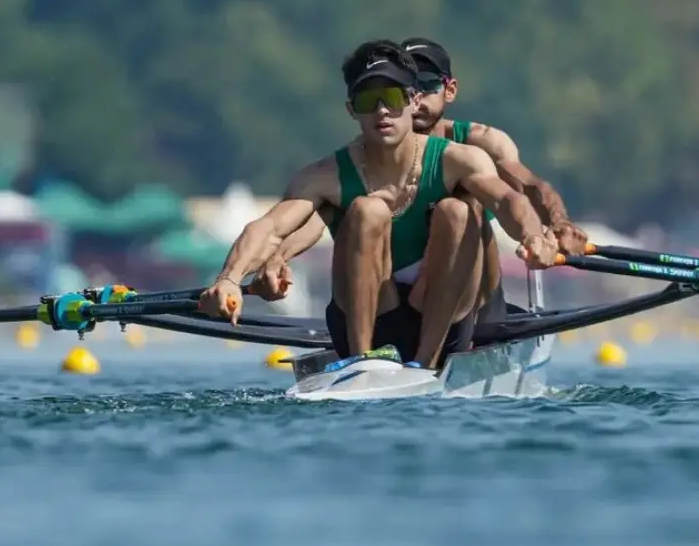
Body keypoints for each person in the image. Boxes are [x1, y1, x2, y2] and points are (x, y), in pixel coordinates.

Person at [197, 39, 558, 370]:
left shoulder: (460, 160)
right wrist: (229, 279)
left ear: (414, 101)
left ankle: (425, 362)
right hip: (369, 319)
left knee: (457, 211)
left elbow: (508, 199)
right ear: (352, 109)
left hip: (443, 321)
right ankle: (360, 360)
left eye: (393, 97)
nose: (383, 111)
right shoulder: (324, 176)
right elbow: (269, 228)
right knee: (367, 210)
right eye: (369, 101)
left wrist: (533, 237)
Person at [255, 37, 588, 321]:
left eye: (426, 86)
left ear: (450, 90)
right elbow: (315, 216)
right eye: (402, 88)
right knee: (352, 211)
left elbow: (527, 190)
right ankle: (372, 342)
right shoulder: (359, 155)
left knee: (464, 204)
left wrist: (556, 226)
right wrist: (278, 257)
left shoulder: (480, 144)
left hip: (470, 299)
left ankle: (458, 331)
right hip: (391, 298)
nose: (414, 102)